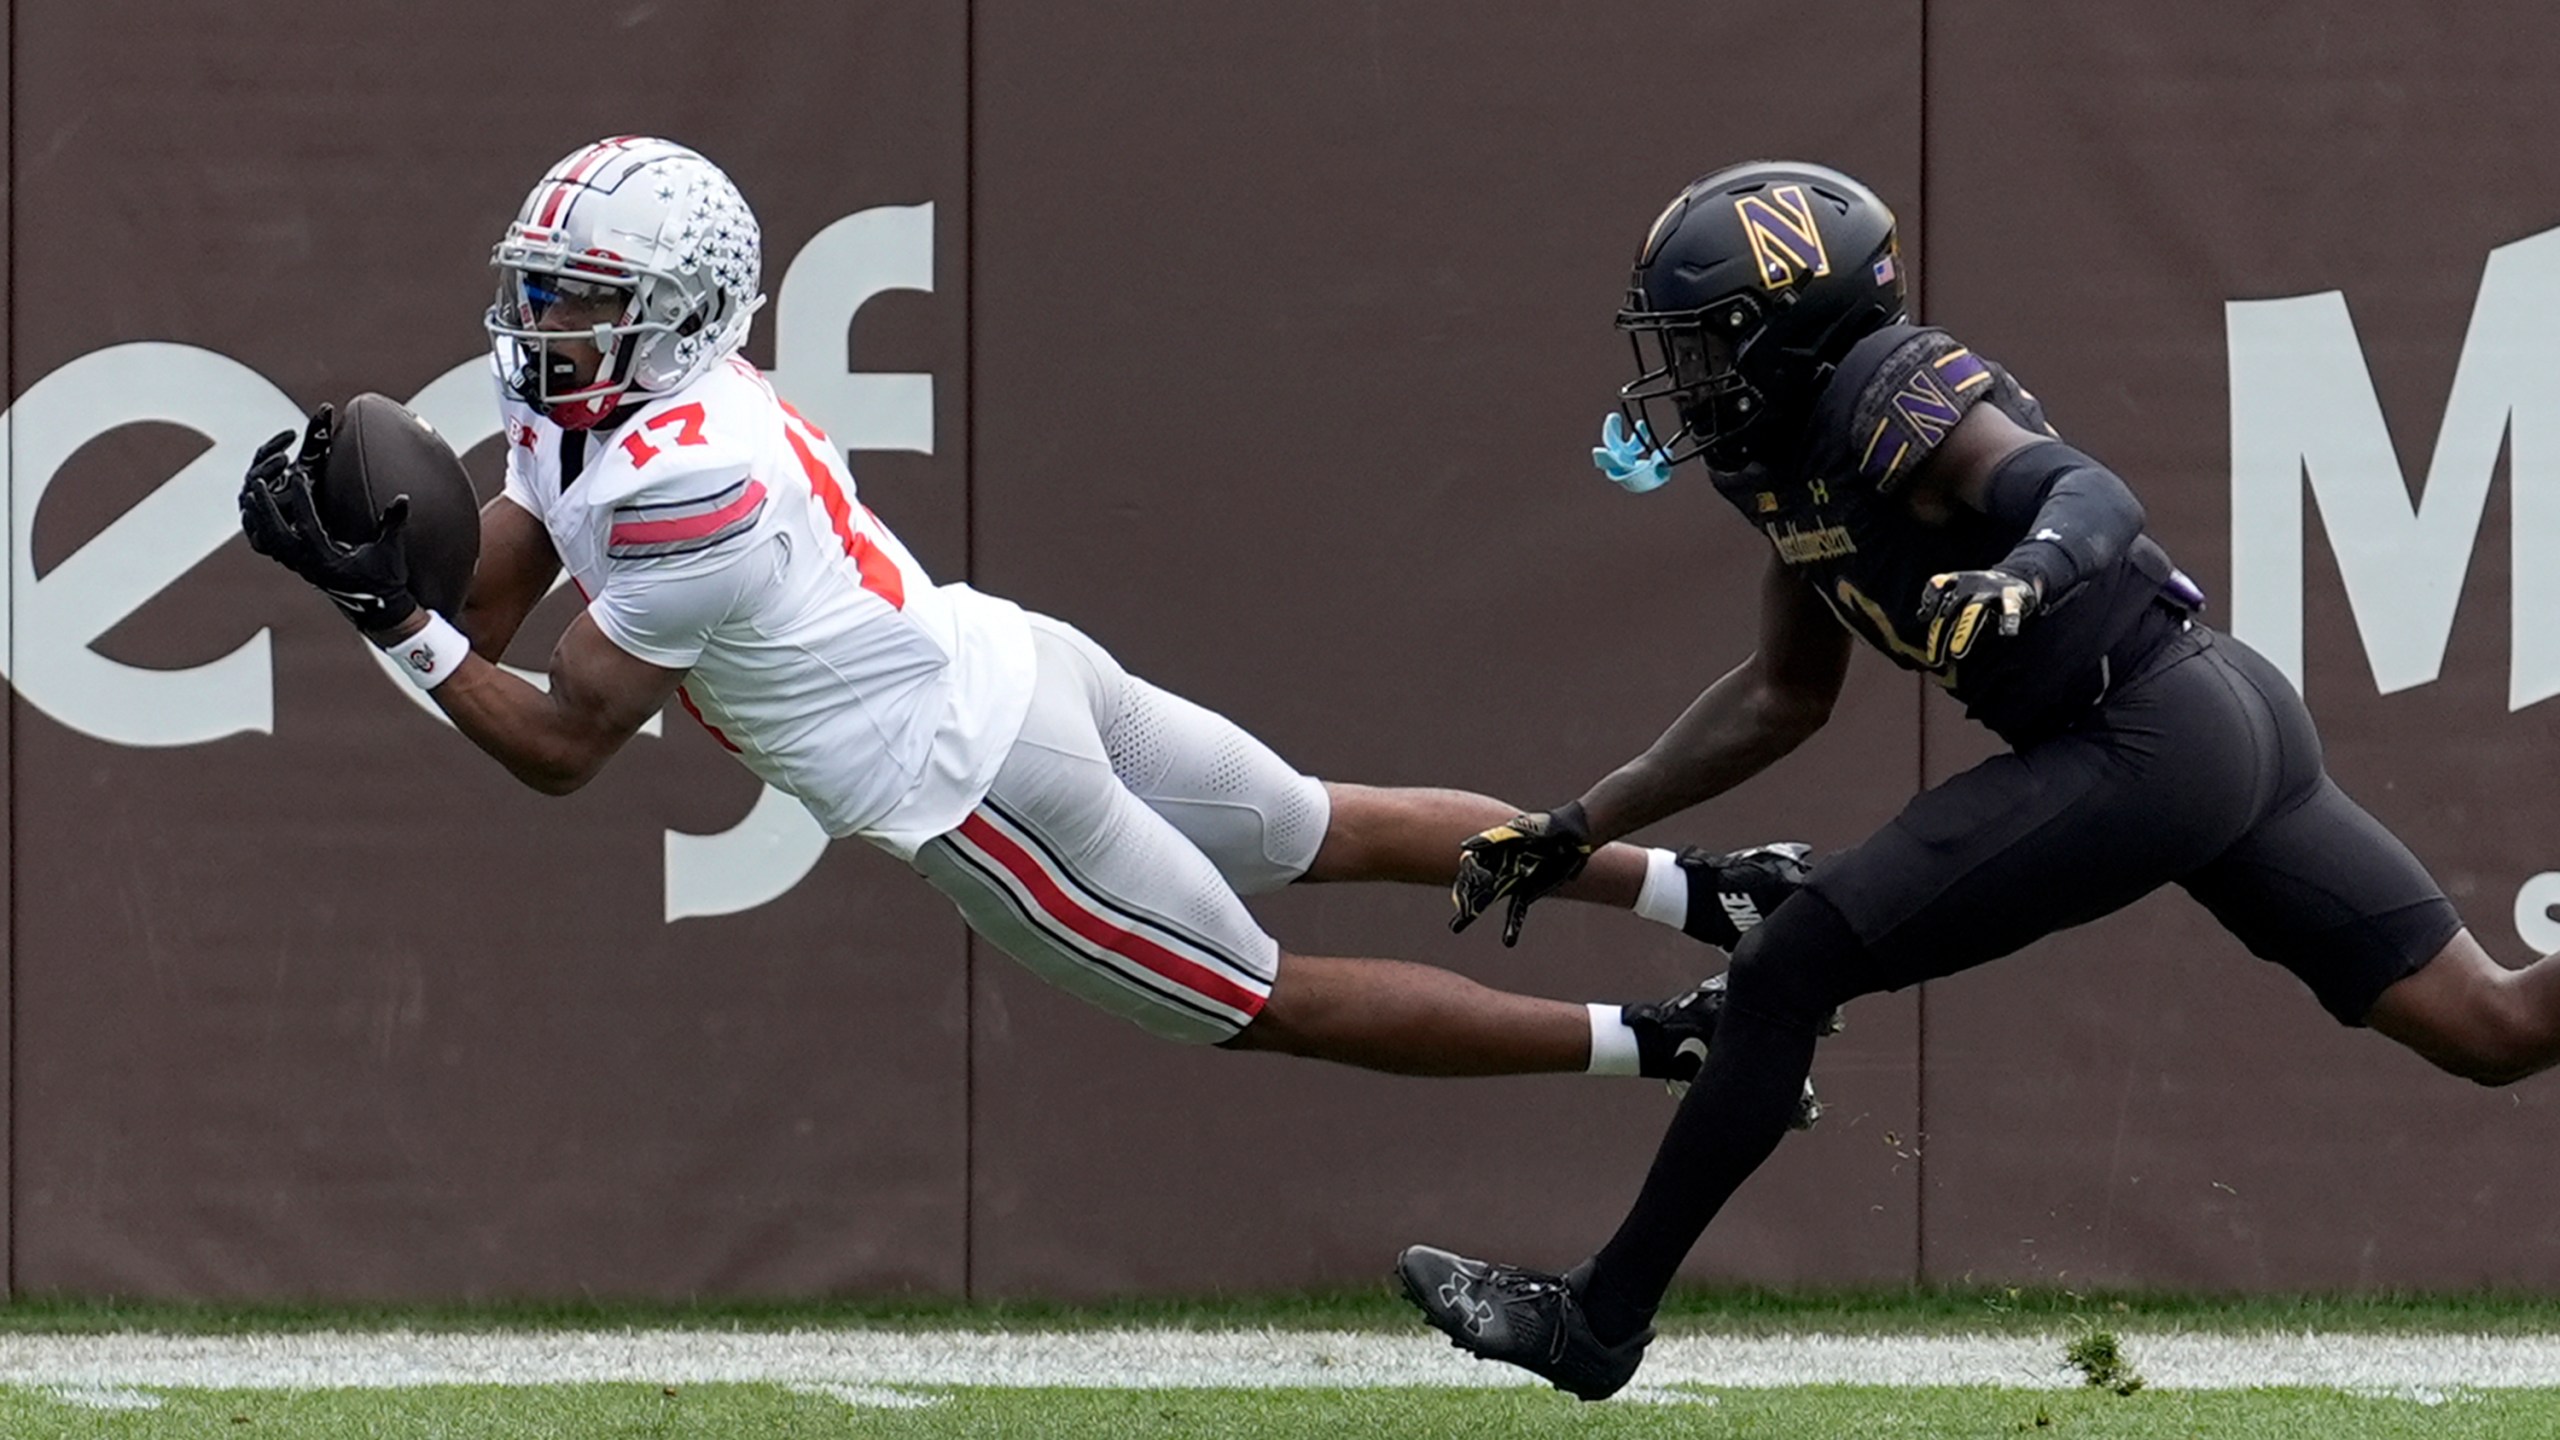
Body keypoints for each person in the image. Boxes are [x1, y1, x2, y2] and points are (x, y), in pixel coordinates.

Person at [233, 135, 1824, 1101]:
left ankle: (1670, 1041)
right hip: (1013, 663)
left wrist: (392, 624)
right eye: (537, 286)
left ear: (679, 313)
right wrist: (397, 579)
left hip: (982, 793)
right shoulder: (616, 410)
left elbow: (564, 743)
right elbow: (493, 598)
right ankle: (1708, 892)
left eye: (576, 299)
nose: (538, 325)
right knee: (1318, 823)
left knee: (1259, 1001)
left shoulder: (684, 477)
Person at [1397, 159, 2560, 1400]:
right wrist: (1586, 820)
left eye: (1706, 343)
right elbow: (1782, 695)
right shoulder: (1783, 458)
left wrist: (2030, 574)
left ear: (1790, 323)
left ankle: (1598, 1320)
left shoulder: (1884, 388)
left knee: (1787, 962)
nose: (1683, 378)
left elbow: (2082, 489)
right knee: (2494, 1027)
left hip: (2148, 731)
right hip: (2205, 720)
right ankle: (1600, 1316)